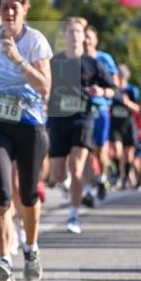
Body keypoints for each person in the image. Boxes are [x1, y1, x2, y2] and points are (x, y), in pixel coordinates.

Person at [0, 0, 52, 281]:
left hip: (30, 123)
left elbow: (45, 86)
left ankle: (31, 249)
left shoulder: (35, 41)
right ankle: (5, 259)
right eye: (4, 7)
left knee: (29, 194)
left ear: (24, 10)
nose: (8, 12)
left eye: (14, 7)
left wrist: (18, 59)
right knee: (3, 192)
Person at [47, 17, 115, 234]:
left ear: (83, 36)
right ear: (65, 36)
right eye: (72, 32)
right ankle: (69, 185)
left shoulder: (92, 63)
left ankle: (73, 215)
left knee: (77, 168)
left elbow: (113, 89)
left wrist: (102, 92)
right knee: (58, 174)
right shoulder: (55, 62)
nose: (76, 36)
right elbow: (44, 87)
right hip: (58, 120)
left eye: (79, 32)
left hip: (82, 118)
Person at [83, 25, 118, 203]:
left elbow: (115, 87)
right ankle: (88, 190)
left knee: (101, 153)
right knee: (86, 151)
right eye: (84, 37)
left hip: (101, 110)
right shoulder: (76, 60)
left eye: (89, 37)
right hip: (82, 111)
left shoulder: (105, 59)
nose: (86, 40)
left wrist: (102, 92)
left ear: (96, 40)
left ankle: (102, 178)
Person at [109, 65, 140, 189]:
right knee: (117, 151)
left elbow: (138, 109)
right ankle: (119, 175)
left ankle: (126, 176)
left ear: (124, 77)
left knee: (129, 155)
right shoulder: (112, 90)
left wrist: (127, 103)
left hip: (128, 125)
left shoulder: (132, 90)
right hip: (115, 125)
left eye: (119, 76)